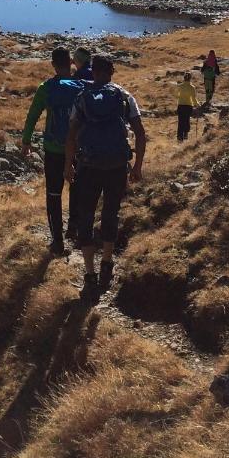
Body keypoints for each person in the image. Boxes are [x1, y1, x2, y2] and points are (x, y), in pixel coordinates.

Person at [65, 54, 146, 300]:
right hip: (117, 166)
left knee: (86, 216)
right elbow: (140, 135)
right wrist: (137, 167)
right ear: (111, 71)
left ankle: (89, 274)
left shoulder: (82, 97)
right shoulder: (124, 96)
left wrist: (68, 165)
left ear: (93, 72)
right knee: (111, 213)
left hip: (88, 166)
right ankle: (107, 265)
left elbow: (70, 135)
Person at [21, 47, 85, 255]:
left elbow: (32, 116)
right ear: (71, 63)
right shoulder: (82, 86)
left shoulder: (45, 87)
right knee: (77, 188)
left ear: (53, 65)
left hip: (53, 148)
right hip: (78, 147)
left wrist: (26, 141)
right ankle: (73, 228)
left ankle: (57, 241)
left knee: (53, 193)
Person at [175, 72, 199, 141]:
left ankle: (179, 137)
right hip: (188, 106)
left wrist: (180, 97)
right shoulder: (192, 87)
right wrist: (197, 105)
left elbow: (176, 94)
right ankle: (185, 134)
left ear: (184, 78)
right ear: (190, 79)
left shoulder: (180, 86)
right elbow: (194, 98)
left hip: (181, 105)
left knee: (180, 121)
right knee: (187, 120)